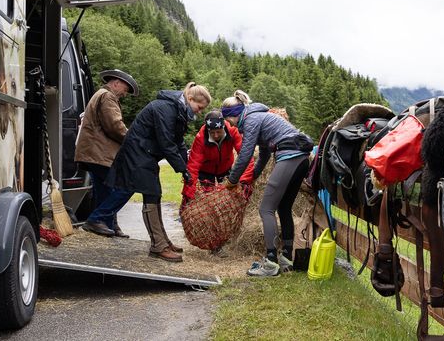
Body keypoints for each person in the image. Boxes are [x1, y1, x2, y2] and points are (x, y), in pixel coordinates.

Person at [107, 82, 211, 262]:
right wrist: (181, 169)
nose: (199, 112)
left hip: (146, 154)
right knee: (151, 193)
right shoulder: (165, 108)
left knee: (155, 194)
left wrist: (186, 168)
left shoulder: (178, 110)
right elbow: (167, 143)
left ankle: (163, 241)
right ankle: (158, 246)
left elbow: (178, 143)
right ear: (190, 98)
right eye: (199, 107)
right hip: (137, 153)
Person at [221, 90, 313, 276]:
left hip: (290, 156)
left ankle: (271, 263)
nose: (228, 124)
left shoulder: (251, 119)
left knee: (265, 209)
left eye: (227, 119)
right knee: (284, 207)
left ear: (233, 115)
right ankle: (286, 259)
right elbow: (263, 155)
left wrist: (231, 181)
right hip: (301, 158)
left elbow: (246, 153)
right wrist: (253, 177)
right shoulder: (259, 117)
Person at [75, 69, 139, 238]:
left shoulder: (101, 94)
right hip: (99, 154)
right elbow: (115, 126)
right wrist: (133, 141)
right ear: (116, 83)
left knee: (104, 193)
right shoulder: (108, 97)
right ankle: (96, 220)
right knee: (126, 186)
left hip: (93, 153)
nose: (125, 94)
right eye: (125, 89)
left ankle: (110, 226)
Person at [181, 110, 254, 213]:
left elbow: (246, 156)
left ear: (223, 126)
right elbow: (193, 166)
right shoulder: (200, 138)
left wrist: (245, 180)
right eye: (212, 132)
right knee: (208, 200)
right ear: (207, 129)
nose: (215, 135)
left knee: (228, 198)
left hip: (225, 168)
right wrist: (188, 193)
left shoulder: (233, 131)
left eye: (218, 132)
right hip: (206, 170)